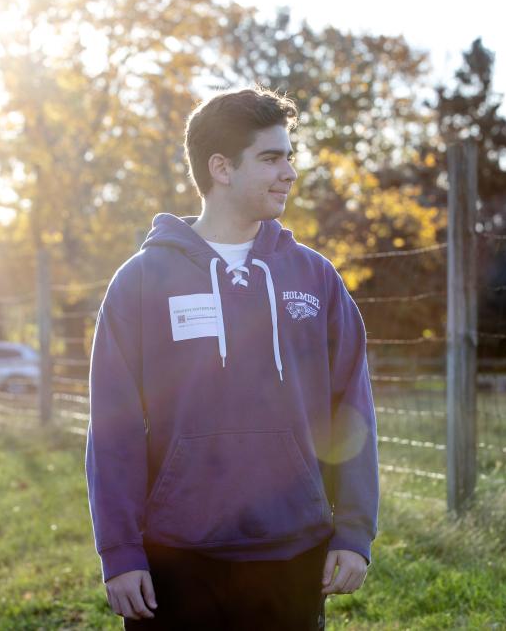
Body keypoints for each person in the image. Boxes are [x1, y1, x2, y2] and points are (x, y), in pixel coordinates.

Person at [86, 86, 379, 630]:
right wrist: (120, 551)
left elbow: (352, 410)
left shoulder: (315, 278)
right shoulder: (142, 282)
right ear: (221, 168)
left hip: (295, 550)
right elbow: (113, 428)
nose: (289, 172)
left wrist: (355, 531)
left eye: (289, 156)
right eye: (271, 158)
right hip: (174, 557)